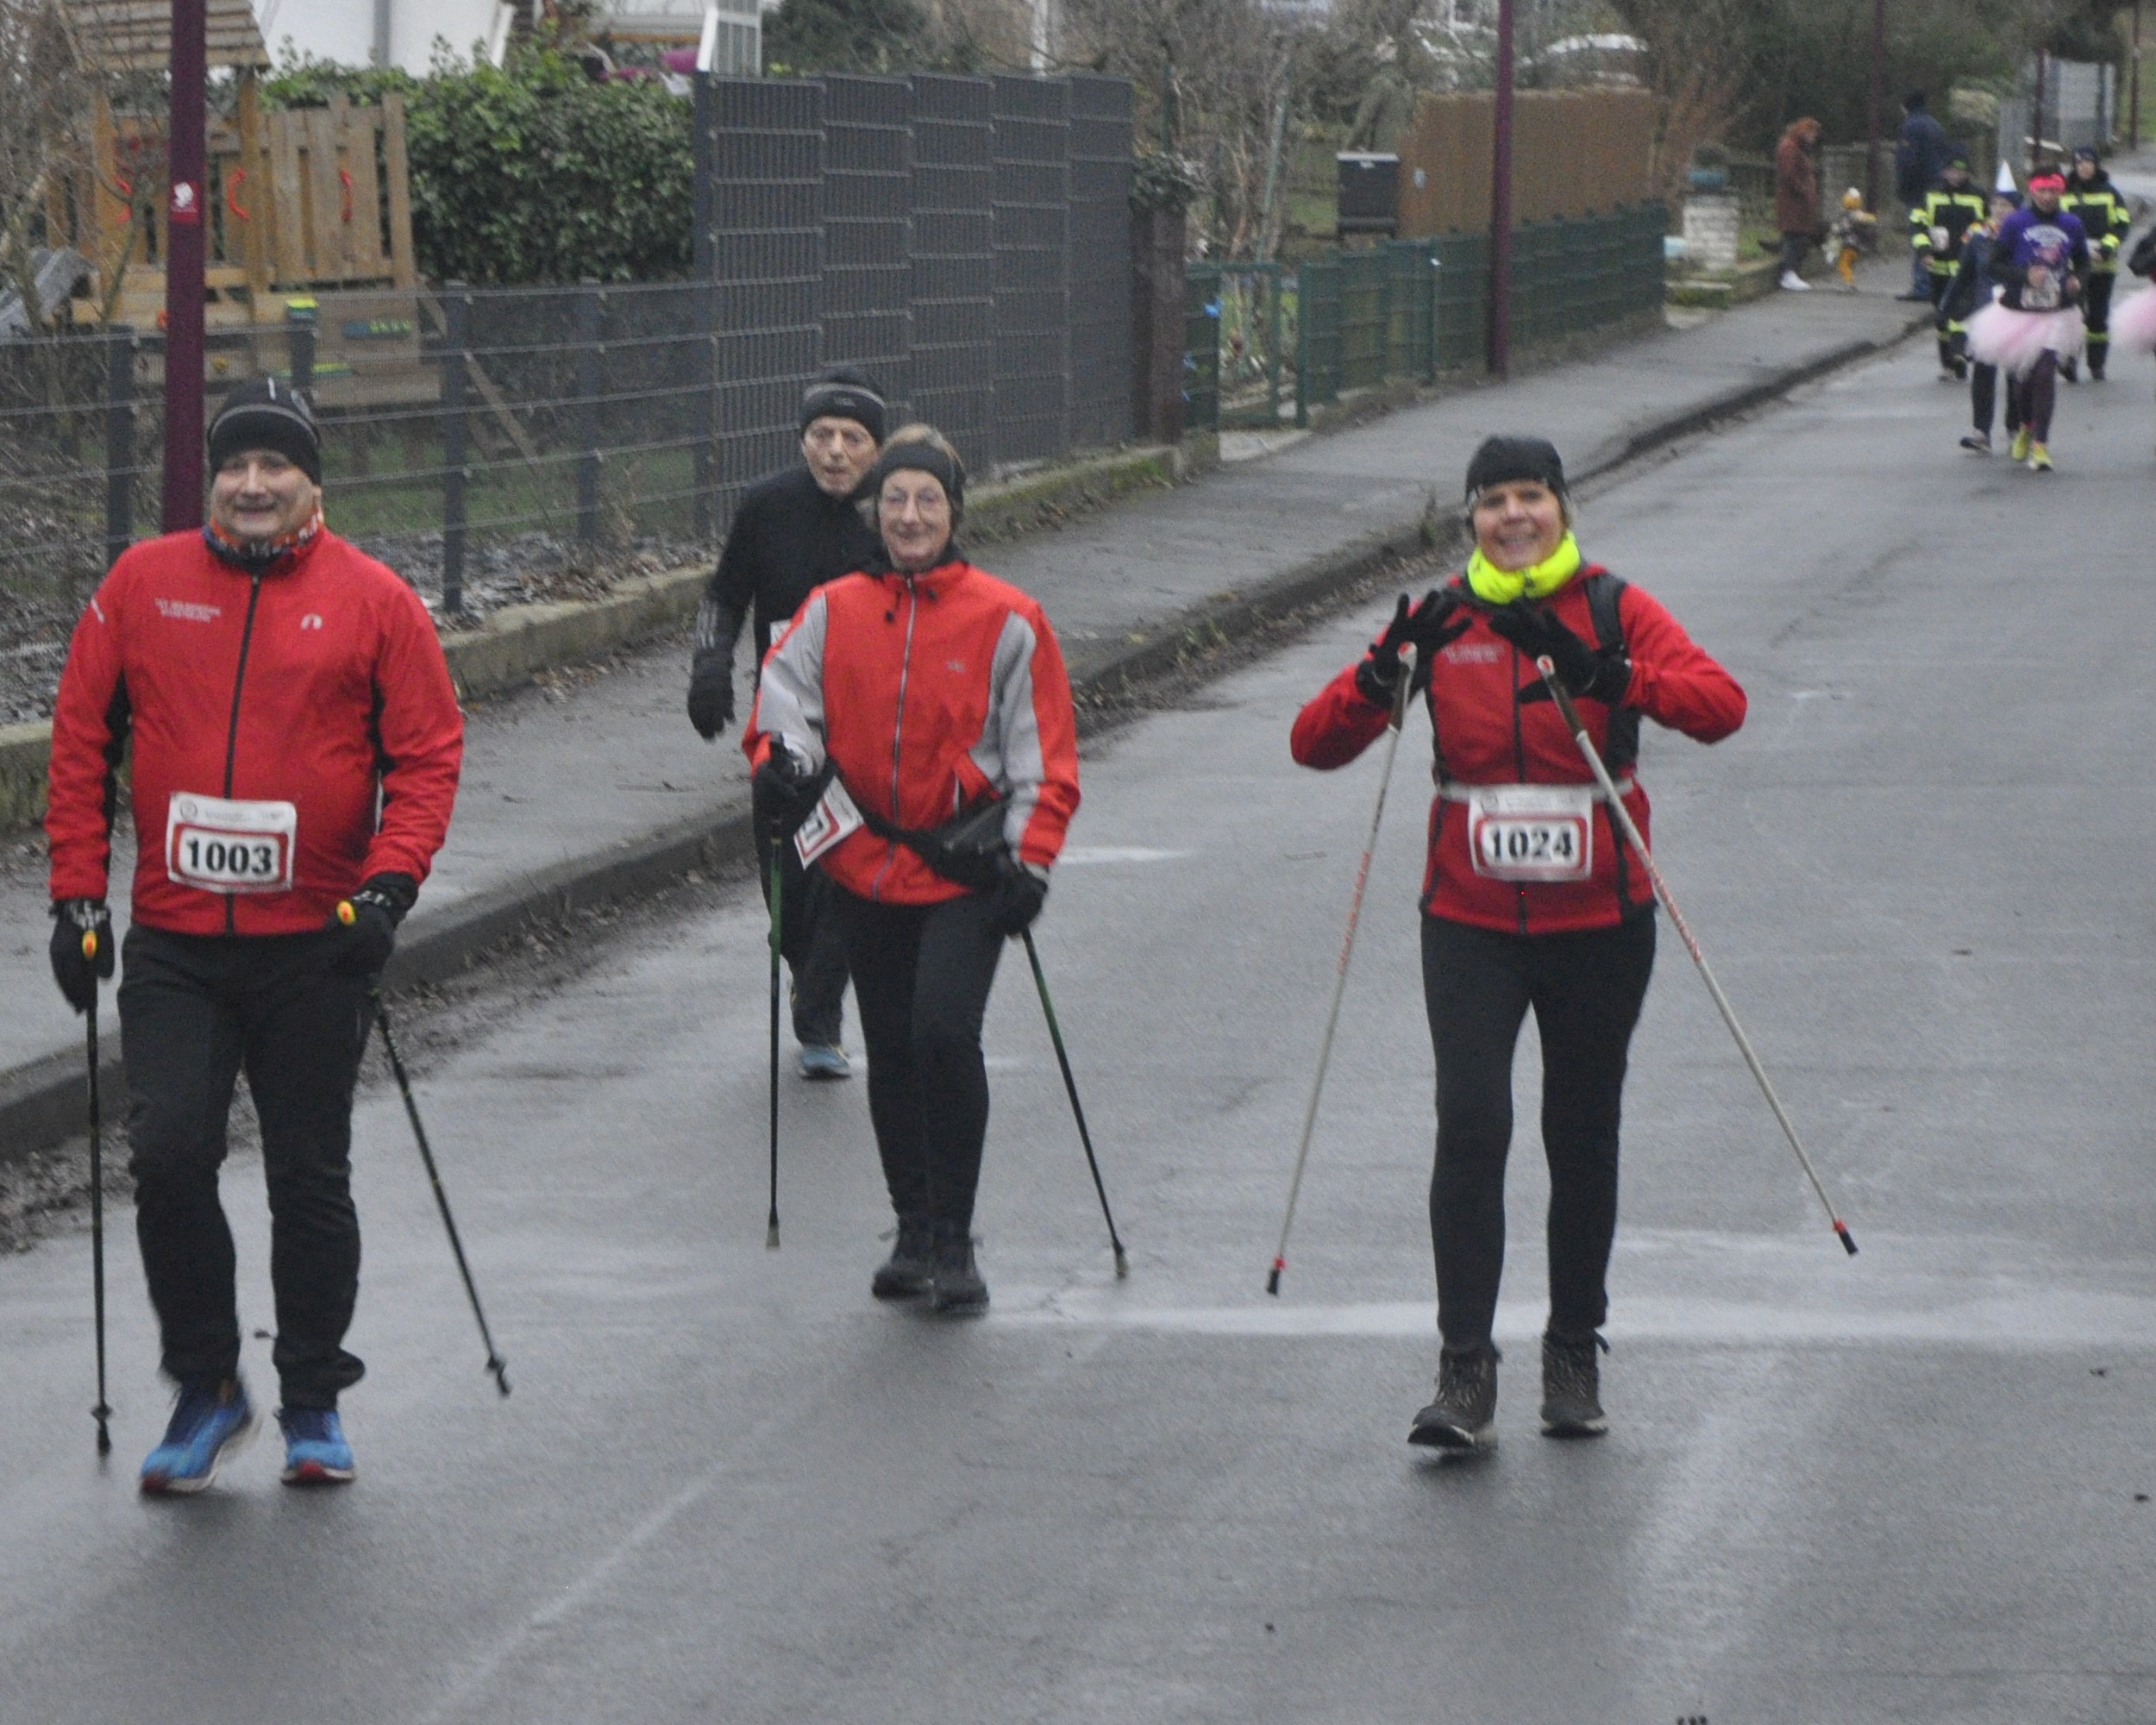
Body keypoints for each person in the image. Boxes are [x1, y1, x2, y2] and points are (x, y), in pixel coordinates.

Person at [45, 377, 463, 1493]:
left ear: (311, 480)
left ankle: (314, 1396)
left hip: (313, 943)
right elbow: (80, 737)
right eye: (236, 465)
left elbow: (427, 754)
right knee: (170, 1155)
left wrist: (387, 889)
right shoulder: (144, 584)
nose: (255, 484)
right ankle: (207, 1385)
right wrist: (76, 898)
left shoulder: (373, 598)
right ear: (212, 479)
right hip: (178, 940)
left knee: (308, 1175)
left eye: (276, 465)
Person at [1289, 436, 1745, 1452]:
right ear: (1470, 520)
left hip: (1599, 920)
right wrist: (1376, 677)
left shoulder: (1613, 605)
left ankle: (1573, 1349)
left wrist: (1616, 677)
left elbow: (1722, 707)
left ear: (1562, 505)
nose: (1513, 514)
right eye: (1492, 500)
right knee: (1471, 1122)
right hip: (1471, 920)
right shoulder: (1443, 618)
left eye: (1530, 495)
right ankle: (1463, 1371)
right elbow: (1312, 744)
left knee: (1580, 1131)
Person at [743, 427, 1080, 1317]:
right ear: (875, 512)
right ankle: (913, 1229)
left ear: (954, 511)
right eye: (894, 499)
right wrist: (784, 760)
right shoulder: (832, 607)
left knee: (941, 1031)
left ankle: (957, 1236)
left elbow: (1043, 754)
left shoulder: (1009, 618)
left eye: (927, 499)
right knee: (890, 1047)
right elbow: (783, 702)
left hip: (968, 865)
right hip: (862, 859)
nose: (909, 514)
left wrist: (1031, 859)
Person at [687, 367, 886, 1079]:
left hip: (865, 730)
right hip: (784, 724)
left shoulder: (891, 518)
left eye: (853, 438)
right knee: (789, 882)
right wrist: (709, 664)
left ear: (876, 448)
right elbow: (724, 594)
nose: (835, 451)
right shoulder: (767, 507)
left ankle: (821, 1018)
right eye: (821, 435)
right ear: (802, 440)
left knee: (846, 875)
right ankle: (806, 967)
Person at [1973, 171, 2090, 473]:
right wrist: (2024, 276)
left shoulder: (2071, 224)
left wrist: (2078, 280)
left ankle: (2041, 444)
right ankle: (2025, 425)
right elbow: (1992, 265)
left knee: (2045, 373)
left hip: (2056, 309)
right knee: (2023, 382)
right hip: (2019, 312)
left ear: (2061, 192)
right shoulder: (2015, 223)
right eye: (2042, 191)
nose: (2048, 197)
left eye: (2054, 191)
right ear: (2033, 191)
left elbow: (2085, 262)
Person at [1946, 188, 2021, 455]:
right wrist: (1947, 307)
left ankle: (2015, 428)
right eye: (1996, 204)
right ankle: (1981, 431)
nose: (2000, 210)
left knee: (2016, 373)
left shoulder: (2023, 237)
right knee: (1983, 371)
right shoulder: (1978, 238)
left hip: (2016, 310)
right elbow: (1964, 275)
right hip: (1985, 313)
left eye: (2006, 206)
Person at [1909, 154, 1989, 375]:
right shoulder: (1931, 195)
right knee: (1942, 315)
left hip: (1967, 269)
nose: (1956, 175)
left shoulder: (1978, 196)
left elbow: (1988, 227)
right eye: (1952, 171)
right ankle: (1947, 362)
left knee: (1961, 313)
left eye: (1961, 171)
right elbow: (1918, 226)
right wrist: (1924, 251)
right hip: (1938, 267)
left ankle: (1959, 355)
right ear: (1944, 172)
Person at [2058, 146, 2129, 380]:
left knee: (2097, 317)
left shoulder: (2110, 193)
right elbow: (2056, 226)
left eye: (2088, 162)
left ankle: (2096, 363)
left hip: (2102, 266)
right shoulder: (2065, 193)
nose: (2084, 167)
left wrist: (2108, 246)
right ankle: (2069, 361)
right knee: (2072, 315)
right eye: (2079, 163)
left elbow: (2121, 223)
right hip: (2072, 267)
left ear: (2096, 165)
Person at [1894, 91, 1955, 299]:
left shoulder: (1910, 127)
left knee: (1919, 236)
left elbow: (1907, 162)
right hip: (1938, 189)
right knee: (1936, 236)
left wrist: (1903, 188)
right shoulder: (1936, 126)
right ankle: (1938, 282)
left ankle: (1922, 286)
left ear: (1906, 107)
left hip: (1919, 190)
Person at [1774, 118, 1823, 291]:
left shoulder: (1797, 148)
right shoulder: (1790, 148)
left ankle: (1791, 273)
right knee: (1795, 238)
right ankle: (1788, 273)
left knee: (1799, 237)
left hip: (1798, 202)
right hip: (1793, 202)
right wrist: (1803, 190)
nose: (1814, 138)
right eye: (1812, 134)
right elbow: (1788, 175)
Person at [1826, 187, 1879, 292]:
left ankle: (1848, 283)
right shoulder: (1859, 214)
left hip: (1848, 245)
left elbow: (1842, 229)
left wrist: (1835, 232)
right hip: (1857, 246)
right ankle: (1850, 283)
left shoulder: (1847, 215)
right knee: (1849, 264)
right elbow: (1870, 219)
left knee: (1844, 265)